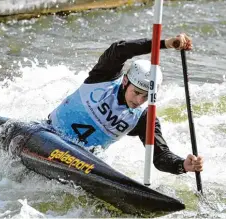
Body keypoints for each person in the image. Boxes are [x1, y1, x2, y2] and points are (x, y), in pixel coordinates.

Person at [48, 33, 203, 175]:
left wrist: (182, 165)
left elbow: (160, 155)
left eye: (146, 96)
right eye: (136, 92)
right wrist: (164, 44)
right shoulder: (103, 77)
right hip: (48, 134)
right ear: (125, 81)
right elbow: (120, 49)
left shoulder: (143, 118)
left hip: (84, 162)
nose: (139, 101)